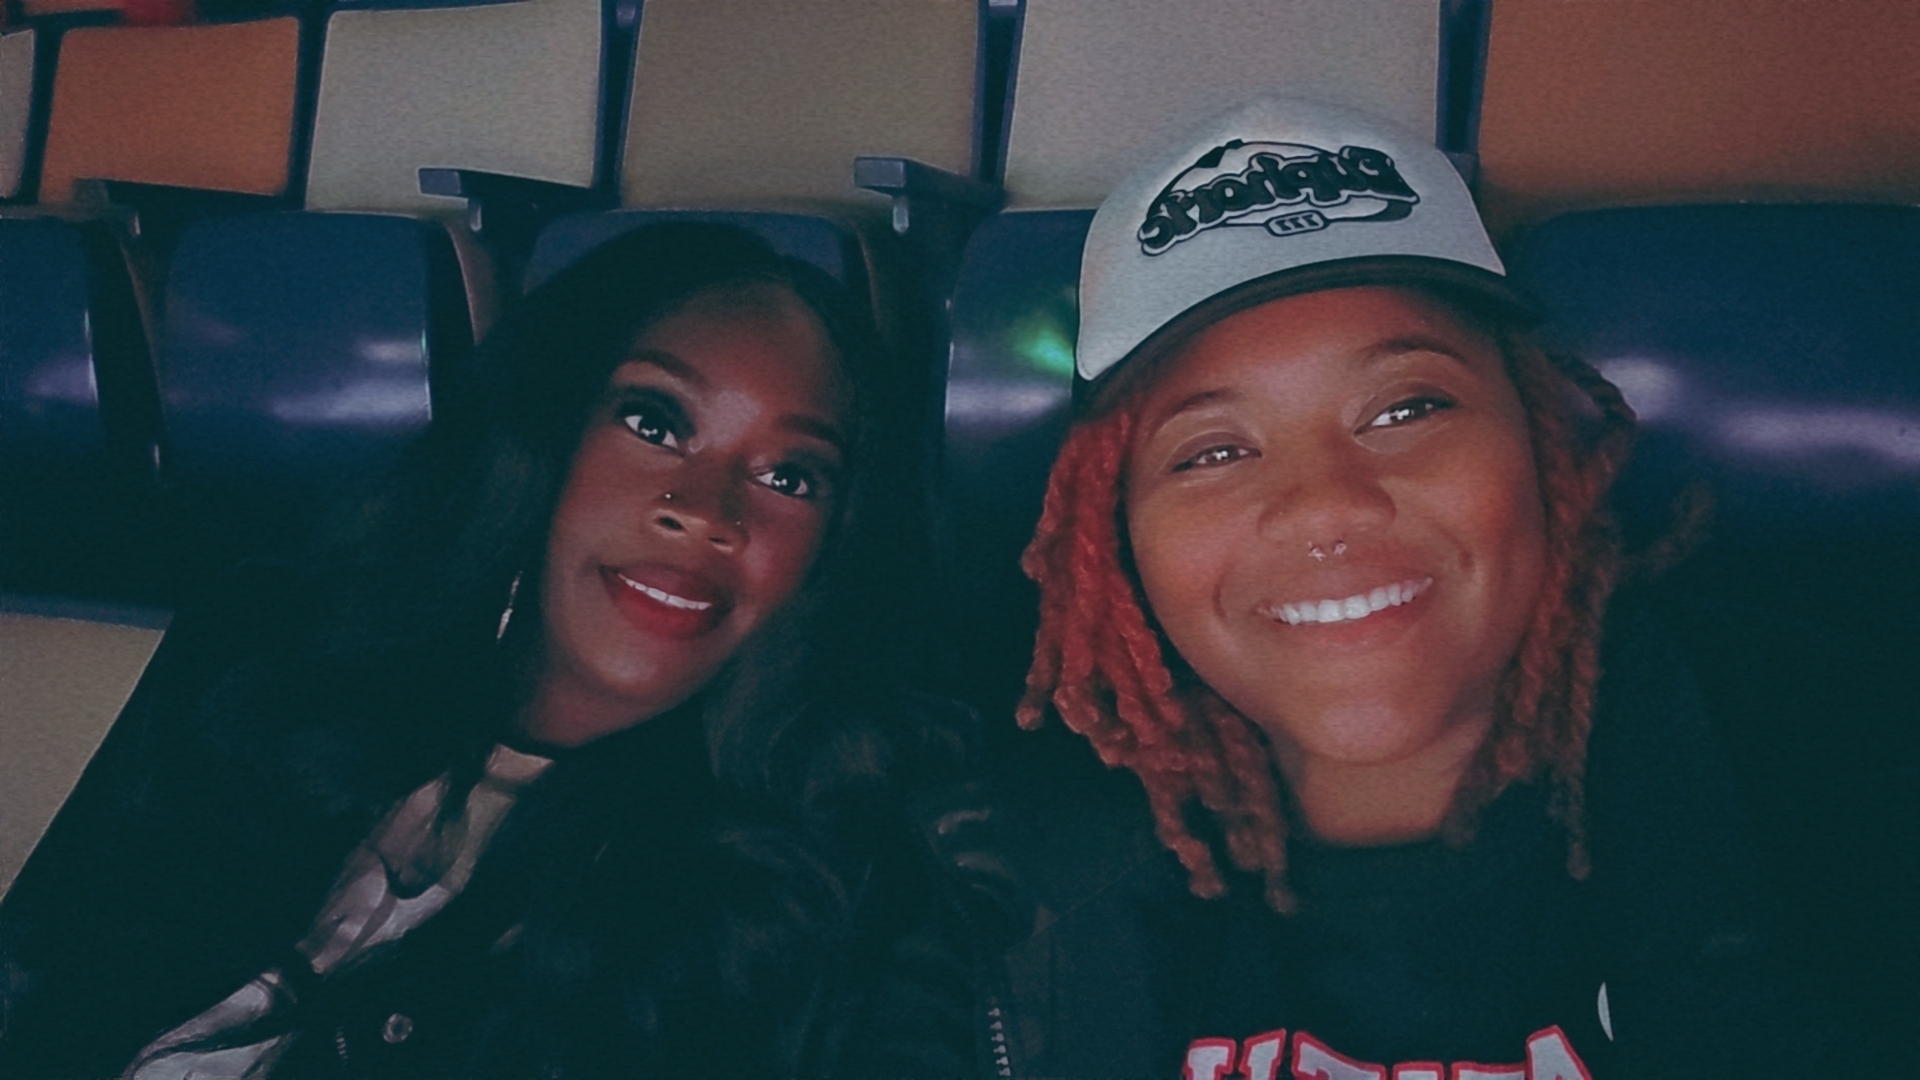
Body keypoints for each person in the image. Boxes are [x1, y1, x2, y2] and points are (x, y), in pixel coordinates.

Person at [979, 98, 1868, 1077]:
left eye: (1406, 408)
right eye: (1214, 451)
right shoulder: (998, 871)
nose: (1325, 504)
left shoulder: (1831, 757)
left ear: (1538, 442)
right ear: (1117, 538)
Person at [0, 223, 976, 1079]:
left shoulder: (831, 877)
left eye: (791, 476)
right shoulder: (265, 655)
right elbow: (41, 982)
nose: (706, 512)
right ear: (544, 426)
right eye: (655, 421)